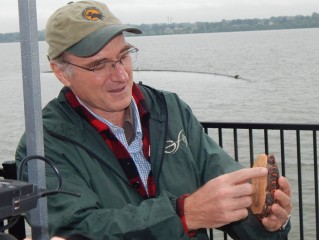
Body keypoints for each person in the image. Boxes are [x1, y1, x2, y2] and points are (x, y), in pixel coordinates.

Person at [15, 1, 292, 239]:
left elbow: (229, 188)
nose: (121, 75)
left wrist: (270, 221)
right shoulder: (43, 144)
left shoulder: (170, 109)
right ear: (62, 73)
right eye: (99, 65)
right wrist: (185, 214)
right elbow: (77, 230)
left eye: (123, 56)